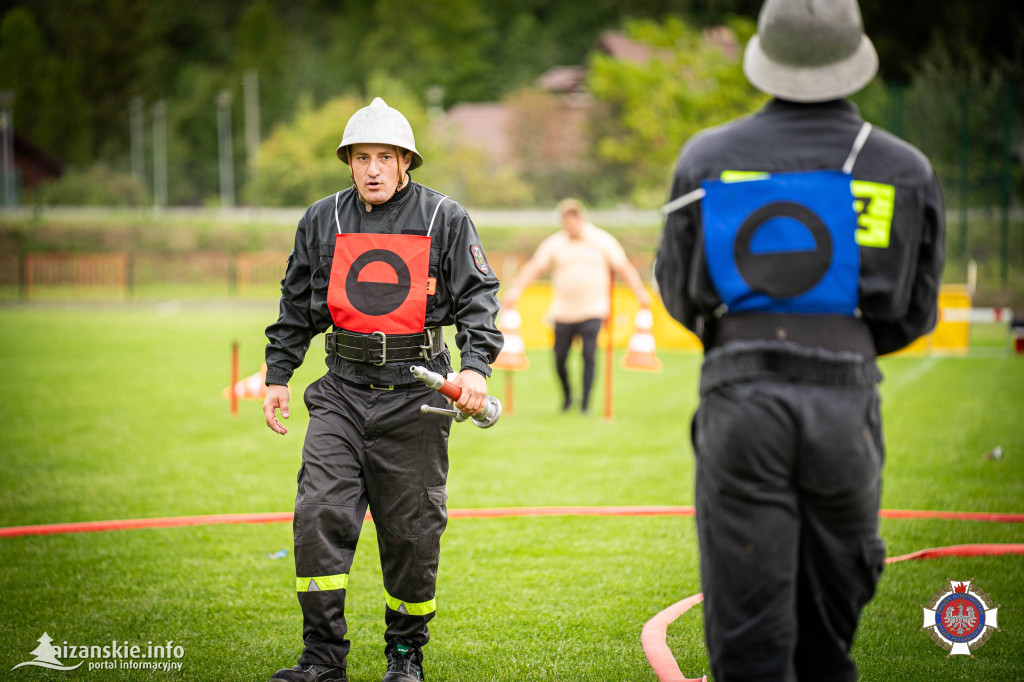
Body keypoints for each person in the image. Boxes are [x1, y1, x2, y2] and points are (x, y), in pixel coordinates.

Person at [655, 0, 945, 679]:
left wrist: (740, 343)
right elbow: (916, 310)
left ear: (765, 56)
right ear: (855, 58)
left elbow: (677, 287)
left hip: (740, 395)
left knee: (749, 636)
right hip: (844, 402)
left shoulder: (707, 157)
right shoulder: (902, 168)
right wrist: (841, 347)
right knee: (829, 628)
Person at [263, 97, 503, 682]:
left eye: (385, 158)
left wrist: (474, 369)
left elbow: (479, 299)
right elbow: (297, 306)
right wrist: (277, 375)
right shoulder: (321, 219)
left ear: (405, 163)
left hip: (416, 399)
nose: (373, 169)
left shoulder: (446, 217)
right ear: (348, 163)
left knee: (412, 535)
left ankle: (404, 657)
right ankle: (321, 659)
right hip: (340, 393)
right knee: (318, 513)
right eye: (362, 157)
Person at [502, 198, 651, 413]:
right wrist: (516, 289)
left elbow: (623, 266)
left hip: (594, 308)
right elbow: (535, 267)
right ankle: (568, 398)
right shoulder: (555, 243)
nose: (568, 226)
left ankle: (586, 404)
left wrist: (639, 291)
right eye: (564, 221)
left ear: (580, 218)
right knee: (560, 357)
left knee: (589, 355)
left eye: (571, 221)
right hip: (562, 311)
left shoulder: (602, 240)